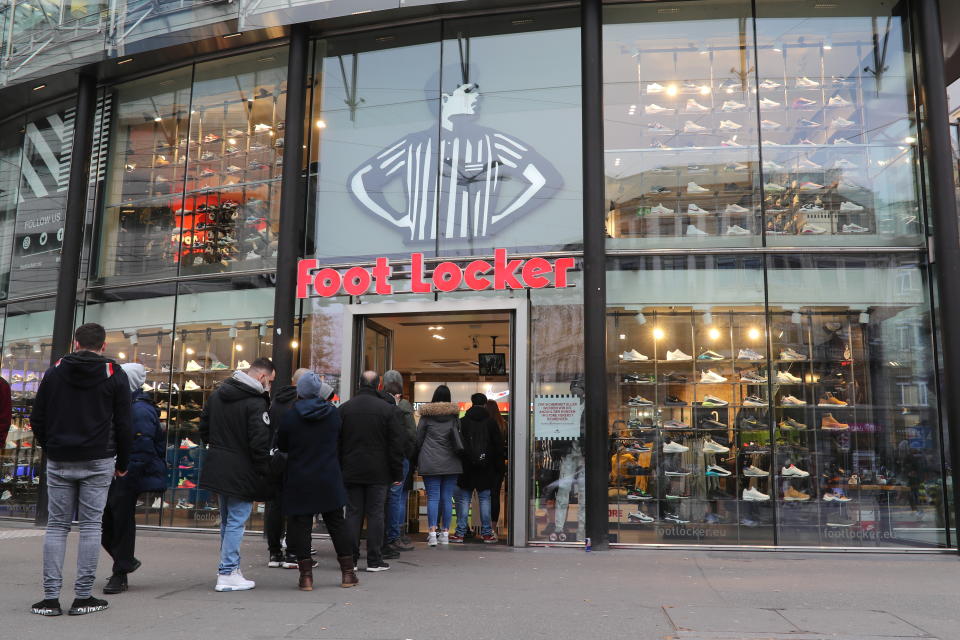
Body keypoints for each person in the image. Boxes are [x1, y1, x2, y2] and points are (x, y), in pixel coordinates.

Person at [30, 323, 132, 617]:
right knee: (90, 526)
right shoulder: (114, 374)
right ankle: (83, 597)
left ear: (75, 343)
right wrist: (123, 463)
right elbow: (125, 424)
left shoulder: (55, 372)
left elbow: (38, 417)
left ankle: (50, 599)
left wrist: (52, 447)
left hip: (60, 458)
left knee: (57, 526)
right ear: (102, 347)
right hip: (99, 459)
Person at [198, 357, 275, 592]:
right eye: (270, 381)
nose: (269, 386)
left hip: (219, 465)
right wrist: (266, 471)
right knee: (236, 522)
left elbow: (204, 428)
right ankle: (228, 571)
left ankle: (229, 567)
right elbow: (259, 443)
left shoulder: (218, 394)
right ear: (262, 377)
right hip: (242, 469)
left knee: (227, 521)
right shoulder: (255, 402)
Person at [277, 372, 357, 590]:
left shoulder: (290, 416)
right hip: (328, 476)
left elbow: (282, 445)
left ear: (299, 391)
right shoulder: (332, 414)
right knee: (336, 524)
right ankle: (348, 574)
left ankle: (306, 577)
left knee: (301, 526)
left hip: (300, 476)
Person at [100, 363, 166, 594]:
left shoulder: (138, 409)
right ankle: (124, 562)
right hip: (116, 470)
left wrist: (126, 470)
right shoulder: (122, 403)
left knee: (119, 520)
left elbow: (142, 444)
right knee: (108, 520)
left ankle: (121, 570)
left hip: (125, 472)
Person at [337, 371, 403, 572]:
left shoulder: (345, 409)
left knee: (353, 513)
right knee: (376, 514)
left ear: (359, 383)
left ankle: (351, 559)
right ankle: (374, 559)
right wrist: (397, 473)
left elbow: (337, 443)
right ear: (378, 385)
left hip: (351, 469)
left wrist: (339, 468)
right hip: (378, 470)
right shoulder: (387, 410)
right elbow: (395, 445)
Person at [265, 367, 311, 569]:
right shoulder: (300, 405)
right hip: (295, 460)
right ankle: (292, 552)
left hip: (275, 460)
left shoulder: (275, 402)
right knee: (295, 507)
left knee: (275, 507)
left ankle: (274, 552)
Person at [452, 393, 505, 544]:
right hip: (486, 468)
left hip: (466, 467)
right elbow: (497, 447)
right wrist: (498, 468)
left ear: (472, 403)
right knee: (484, 499)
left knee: (463, 500)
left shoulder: (463, 422)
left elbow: (458, 446)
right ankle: (487, 533)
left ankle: (460, 533)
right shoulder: (491, 423)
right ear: (484, 404)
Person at [416, 384, 463, 547]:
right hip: (451, 462)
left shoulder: (426, 417)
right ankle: (445, 534)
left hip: (430, 461)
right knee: (447, 498)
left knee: (433, 497)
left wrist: (416, 458)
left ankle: (432, 534)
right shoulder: (454, 416)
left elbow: (418, 439)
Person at [382, 370, 417, 556]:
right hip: (399, 457)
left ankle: (380, 536)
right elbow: (412, 434)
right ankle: (394, 536)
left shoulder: (378, 403)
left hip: (381, 458)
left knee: (381, 497)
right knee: (396, 496)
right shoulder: (403, 406)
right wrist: (409, 454)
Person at [485, 398, 507, 528]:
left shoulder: (486, 424)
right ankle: (493, 527)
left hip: (487, 464)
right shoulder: (504, 424)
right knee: (495, 495)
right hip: (499, 465)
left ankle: (485, 527)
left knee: (484, 496)